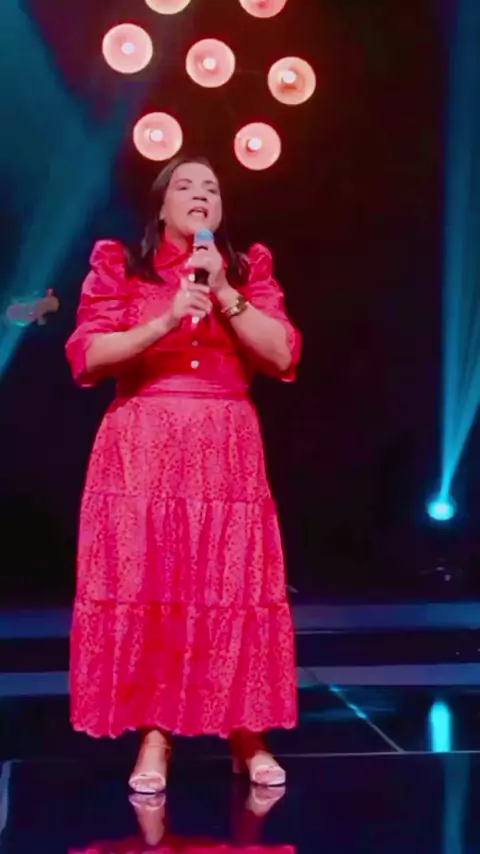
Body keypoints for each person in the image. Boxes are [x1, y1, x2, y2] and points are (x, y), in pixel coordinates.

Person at [66, 155, 301, 793]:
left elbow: (281, 352)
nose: (201, 194)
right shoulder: (123, 266)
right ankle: (155, 734)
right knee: (154, 584)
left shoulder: (247, 269)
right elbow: (88, 355)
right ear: (162, 205)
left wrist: (223, 291)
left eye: (212, 188)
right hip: (143, 448)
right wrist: (167, 318)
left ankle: (247, 730)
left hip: (226, 447)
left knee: (234, 586)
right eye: (186, 185)